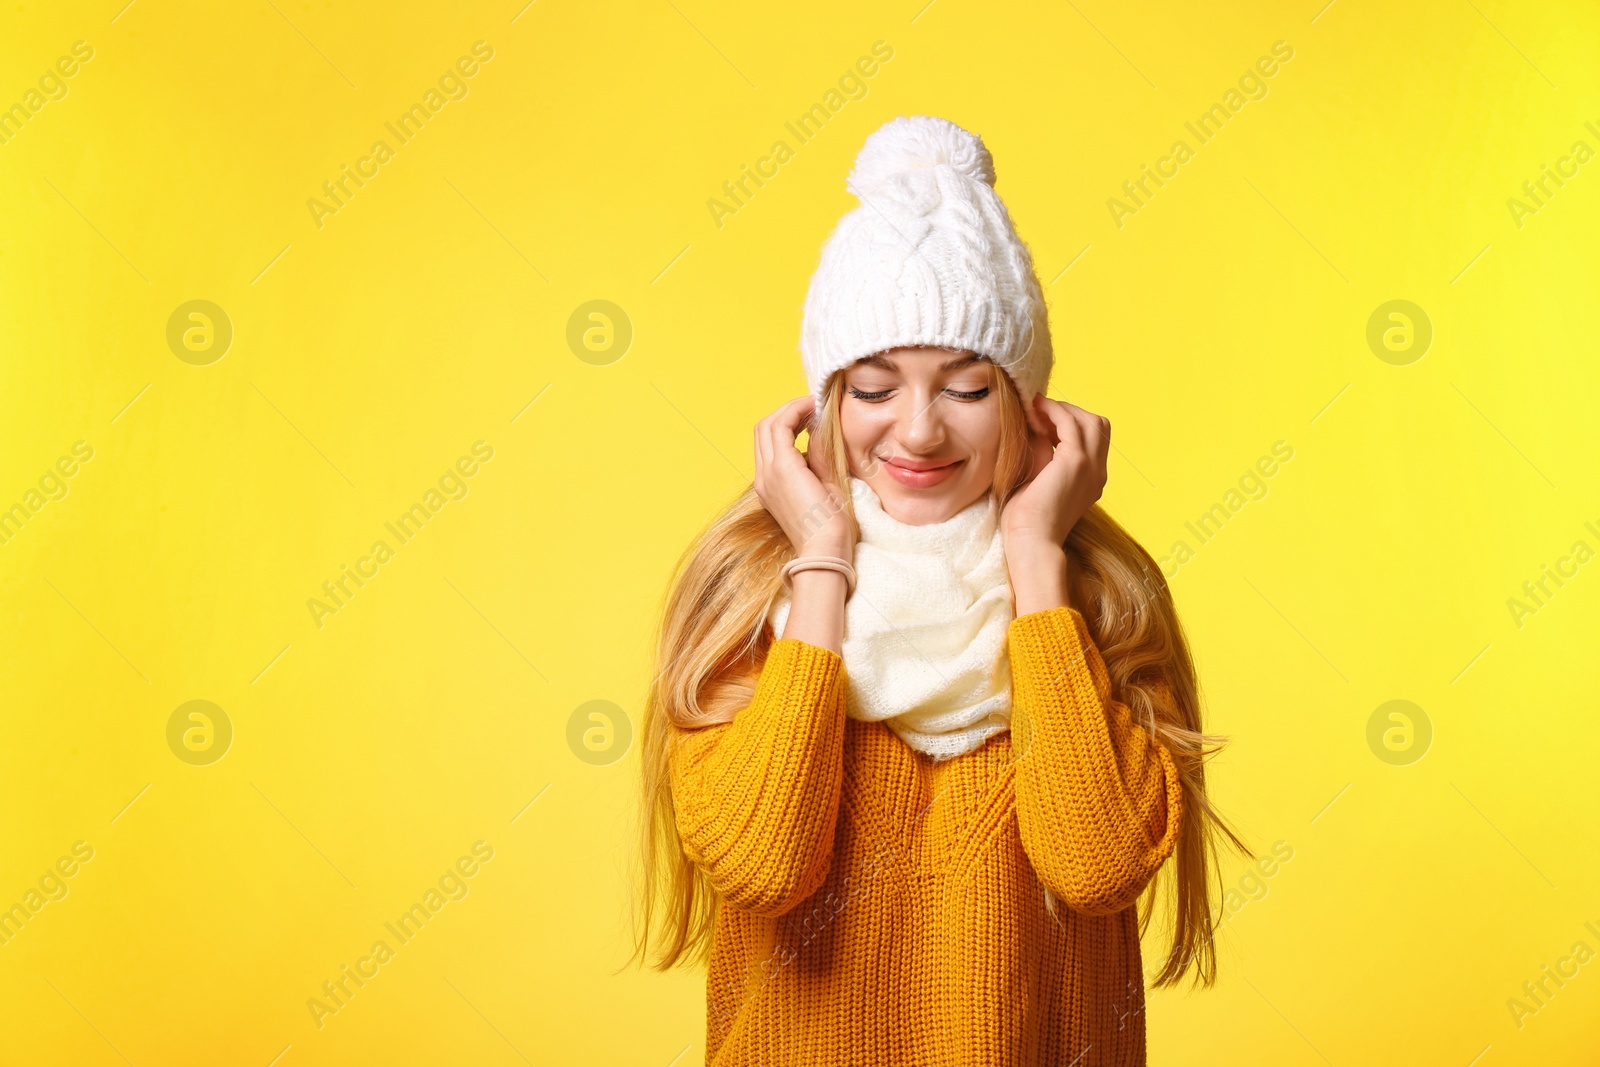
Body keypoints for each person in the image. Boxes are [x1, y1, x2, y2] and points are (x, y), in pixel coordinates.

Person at [629, 115, 1249, 1066]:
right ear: (823, 404)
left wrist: (1038, 561)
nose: (917, 432)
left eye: (965, 388)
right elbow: (764, 861)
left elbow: (1096, 864)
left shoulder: (1107, 603)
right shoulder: (748, 596)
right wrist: (823, 561)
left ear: (1029, 402)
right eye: (874, 388)